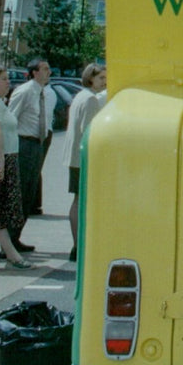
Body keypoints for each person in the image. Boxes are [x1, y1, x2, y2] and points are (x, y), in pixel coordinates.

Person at [7, 57, 56, 246]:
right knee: (20, 192)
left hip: (38, 144)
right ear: (34, 72)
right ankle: (9, 241)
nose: (49, 72)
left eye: (49, 69)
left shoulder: (43, 92)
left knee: (29, 193)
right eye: (45, 69)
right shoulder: (25, 91)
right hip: (24, 144)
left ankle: (15, 237)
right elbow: (10, 119)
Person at [65, 63, 107, 261]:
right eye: (101, 78)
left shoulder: (80, 96)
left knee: (77, 199)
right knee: (80, 200)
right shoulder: (90, 99)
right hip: (83, 158)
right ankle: (78, 244)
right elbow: (89, 131)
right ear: (91, 78)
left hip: (74, 157)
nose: (105, 82)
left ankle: (77, 244)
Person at [0, 64, 31, 269]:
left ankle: (12, 254)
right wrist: (1, 162)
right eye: (4, 79)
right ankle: (13, 256)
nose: (8, 82)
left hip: (2, 158)